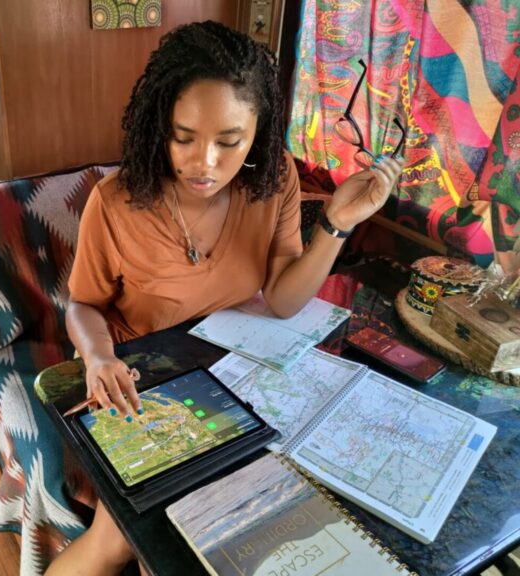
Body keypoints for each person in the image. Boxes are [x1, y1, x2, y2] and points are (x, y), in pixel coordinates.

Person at [46, 20, 404, 576]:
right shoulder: (114, 202)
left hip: (235, 373)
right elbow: (83, 305)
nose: (204, 164)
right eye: (183, 137)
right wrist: (97, 358)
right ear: (157, 127)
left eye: (229, 142)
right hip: (139, 377)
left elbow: (284, 300)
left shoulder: (273, 178)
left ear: (257, 133)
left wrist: (335, 223)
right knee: (129, 541)